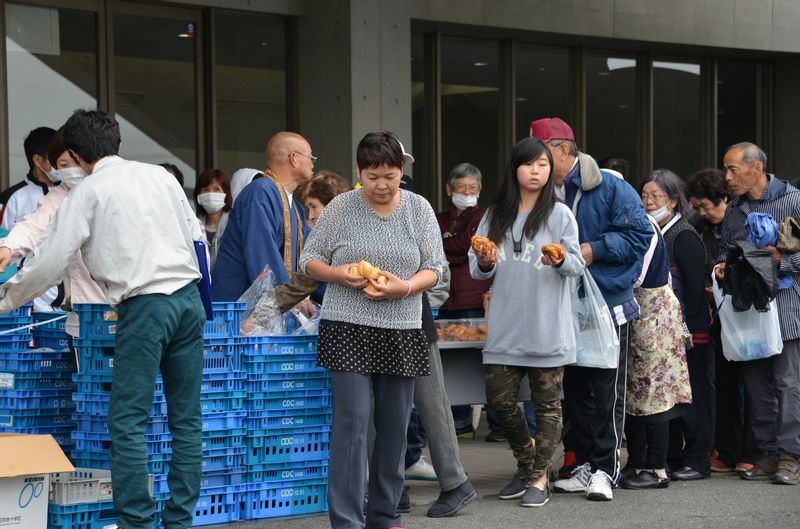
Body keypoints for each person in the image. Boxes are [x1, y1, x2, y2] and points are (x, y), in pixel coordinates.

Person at [0, 109, 206, 527]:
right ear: (120, 144)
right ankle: (180, 522)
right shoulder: (162, 176)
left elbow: (47, 264)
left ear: (74, 154)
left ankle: (137, 523)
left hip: (144, 307)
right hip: (189, 299)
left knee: (127, 421)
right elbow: (196, 237)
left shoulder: (86, 194)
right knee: (187, 418)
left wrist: (5, 300)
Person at [299, 131, 443, 529]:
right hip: (347, 325)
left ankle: (384, 514)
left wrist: (406, 286)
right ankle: (346, 520)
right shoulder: (341, 208)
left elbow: (436, 267)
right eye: (373, 175)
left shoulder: (418, 208)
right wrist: (335, 274)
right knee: (353, 424)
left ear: (402, 171)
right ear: (359, 172)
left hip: (401, 326)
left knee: (395, 426)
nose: (381, 185)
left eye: (391, 175)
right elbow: (309, 258)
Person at [531, 118, 652, 502]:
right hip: (564, 305)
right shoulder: (542, 191)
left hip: (607, 303)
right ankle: (583, 462)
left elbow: (640, 236)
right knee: (577, 388)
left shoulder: (610, 185)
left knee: (606, 392)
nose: (535, 164)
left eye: (542, 155)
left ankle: (605, 468)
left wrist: (592, 249)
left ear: (562, 150)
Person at [470, 137, 584, 508]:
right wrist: (485, 259)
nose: (536, 171)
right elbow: (479, 270)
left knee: (548, 406)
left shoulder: (560, 214)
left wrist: (560, 260)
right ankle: (528, 466)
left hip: (548, 324)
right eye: (529, 164)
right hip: (506, 325)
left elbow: (577, 267)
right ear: (515, 168)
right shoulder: (496, 213)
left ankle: (537, 478)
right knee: (500, 402)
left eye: (543, 165)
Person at [716, 142, 800, 485]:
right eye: (726, 169)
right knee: (756, 384)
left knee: (788, 383)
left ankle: (791, 456)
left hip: (787, 306)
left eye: (733, 169)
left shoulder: (793, 200)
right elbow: (724, 250)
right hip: (749, 309)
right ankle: (766, 452)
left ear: (757, 168)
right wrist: (722, 267)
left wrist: (783, 259)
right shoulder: (735, 209)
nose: (727, 177)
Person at [396, 174, 475, 518]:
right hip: (379, 324)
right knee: (384, 409)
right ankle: (391, 486)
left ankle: (455, 483)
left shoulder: (414, 208)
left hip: (414, 321)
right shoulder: (358, 209)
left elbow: (436, 269)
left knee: (432, 405)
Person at [640, 169, 713, 481]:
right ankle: (672, 457)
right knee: (669, 396)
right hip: (662, 330)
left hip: (688, 330)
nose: (648, 201)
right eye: (644, 195)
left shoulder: (683, 235)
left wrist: (689, 329)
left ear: (672, 200)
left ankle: (698, 460)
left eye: (655, 196)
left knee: (693, 395)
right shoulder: (653, 231)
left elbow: (696, 288)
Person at [0, 128, 106, 340]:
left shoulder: (113, 187)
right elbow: (34, 225)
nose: (63, 172)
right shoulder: (61, 195)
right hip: (79, 312)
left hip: (125, 310)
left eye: (67, 165)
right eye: (59, 167)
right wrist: (8, 247)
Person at [686, 168, 757, 474]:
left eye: (706, 206)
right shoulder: (697, 226)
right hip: (716, 316)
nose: (702, 212)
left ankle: (753, 451)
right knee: (723, 384)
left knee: (754, 383)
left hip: (747, 311)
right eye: (697, 207)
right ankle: (726, 450)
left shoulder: (743, 219)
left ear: (725, 199)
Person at [621, 199, 693, 490]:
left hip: (654, 316)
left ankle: (657, 468)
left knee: (655, 394)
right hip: (638, 315)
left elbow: (638, 274)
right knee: (633, 395)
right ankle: (636, 462)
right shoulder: (632, 223)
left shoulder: (645, 226)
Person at [434, 162, 503, 441]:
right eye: (461, 188)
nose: (467, 192)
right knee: (451, 364)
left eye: (472, 188)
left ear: (480, 190)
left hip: (476, 297)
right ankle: (460, 423)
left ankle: (499, 425)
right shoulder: (437, 219)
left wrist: (447, 243)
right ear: (449, 189)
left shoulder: (485, 217)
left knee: (488, 361)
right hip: (445, 300)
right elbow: (437, 246)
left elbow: (471, 244)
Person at [212, 132, 314, 301]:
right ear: (294, 158)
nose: (312, 164)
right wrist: (290, 299)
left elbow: (311, 257)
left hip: (270, 311)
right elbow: (263, 258)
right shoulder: (260, 193)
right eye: (311, 157)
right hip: (238, 314)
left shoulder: (296, 208)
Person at [0, 126, 60, 312]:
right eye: (56, 159)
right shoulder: (11, 199)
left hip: (71, 302)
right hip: (30, 304)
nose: (61, 166)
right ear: (37, 160)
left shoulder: (72, 191)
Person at [1, 126, 57, 229]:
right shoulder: (10, 198)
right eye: (55, 157)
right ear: (38, 160)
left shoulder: (71, 189)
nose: (61, 163)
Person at [193, 169, 233, 270]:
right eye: (206, 189)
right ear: (199, 194)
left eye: (216, 189)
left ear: (226, 194)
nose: (211, 194)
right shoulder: (193, 225)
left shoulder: (234, 224)